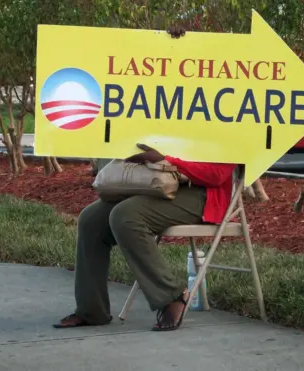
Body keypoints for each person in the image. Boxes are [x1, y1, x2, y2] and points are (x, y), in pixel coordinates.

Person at [54, 28, 237, 332]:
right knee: (90, 219)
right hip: (156, 183)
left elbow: (217, 174)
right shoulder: (168, 99)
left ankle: (170, 296)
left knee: (125, 215)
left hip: (202, 193)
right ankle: (91, 309)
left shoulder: (229, 107)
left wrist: (165, 159)